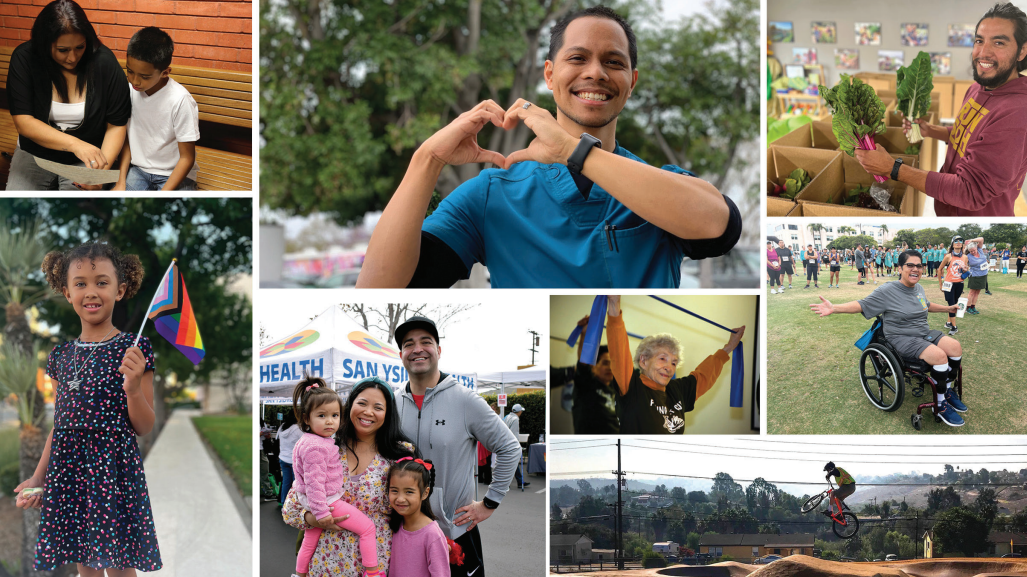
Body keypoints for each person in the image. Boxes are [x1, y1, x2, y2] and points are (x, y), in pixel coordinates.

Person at [356, 6, 742, 288]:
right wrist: (427, 159)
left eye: (614, 62)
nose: (596, 72)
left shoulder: (659, 187)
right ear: (549, 73)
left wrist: (574, 151)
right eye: (578, 57)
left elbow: (719, 226)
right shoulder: (490, 195)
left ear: (632, 80)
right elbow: (379, 289)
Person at [15, 242, 161, 572]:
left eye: (102, 282)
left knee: (120, 566)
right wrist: (37, 476)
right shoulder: (60, 357)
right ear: (67, 292)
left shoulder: (133, 349)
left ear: (120, 290)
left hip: (114, 470)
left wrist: (134, 389)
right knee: (85, 565)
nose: (91, 291)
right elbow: (61, 425)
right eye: (80, 283)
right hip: (71, 471)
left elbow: (144, 425)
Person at [854, 3, 1027, 216]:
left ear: (1022, 51)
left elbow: (970, 191)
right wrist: (930, 130)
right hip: (949, 208)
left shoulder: (1017, 113)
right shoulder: (977, 89)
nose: (984, 52)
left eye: (999, 42)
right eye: (979, 41)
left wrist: (892, 168)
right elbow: (972, 137)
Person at [394, 316, 521, 576]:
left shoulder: (464, 400)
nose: (417, 349)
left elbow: (510, 447)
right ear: (401, 354)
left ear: (438, 351)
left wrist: (489, 503)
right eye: (409, 344)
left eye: (425, 342)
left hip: (454, 534)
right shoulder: (393, 402)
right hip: (403, 532)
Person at [810, 249, 967, 426]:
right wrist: (835, 308)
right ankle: (940, 404)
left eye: (919, 266)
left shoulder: (919, 289)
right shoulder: (888, 290)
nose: (915, 269)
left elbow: (926, 305)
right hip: (901, 337)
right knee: (939, 356)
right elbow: (863, 304)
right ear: (900, 268)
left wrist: (948, 309)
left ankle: (946, 391)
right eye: (910, 265)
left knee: (955, 347)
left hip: (922, 332)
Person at [282, 376, 417, 577]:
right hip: (325, 564)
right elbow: (290, 510)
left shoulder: (399, 456)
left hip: (376, 563)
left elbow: (414, 513)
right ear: (349, 406)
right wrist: (315, 519)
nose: (368, 412)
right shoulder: (325, 447)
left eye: (378, 407)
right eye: (361, 403)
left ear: (388, 413)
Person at [6, 0, 129, 191]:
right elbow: (24, 122)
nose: (72, 58)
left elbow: (116, 125)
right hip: (34, 152)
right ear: (44, 44)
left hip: (88, 158)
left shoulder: (104, 62)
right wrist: (75, 144)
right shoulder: (25, 58)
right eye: (63, 50)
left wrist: (99, 172)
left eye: (80, 47)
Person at [605, 295, 745, 434]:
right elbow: (619, 352)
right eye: (662, 359)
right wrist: (614, 306)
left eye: (674, 362)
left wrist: (729, 347)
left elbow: (705, 375)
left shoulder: (677, 390)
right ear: (643, 361)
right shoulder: (632, 386)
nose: (669, 367)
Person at [289, 377, 384, 577]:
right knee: (367, 528)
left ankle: (299, 573)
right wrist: (319, 515)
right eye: (322, 415)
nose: (330, 421)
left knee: (309, 539)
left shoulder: (313, 441)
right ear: (307, 418)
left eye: (334, 415)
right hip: (328, 504)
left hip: (318, 504)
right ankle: (373, 572)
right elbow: (309, 487)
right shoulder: (319, 446)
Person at [113, 26, 199, 191]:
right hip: (139, 169)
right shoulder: (128, 89)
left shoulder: (180, 100)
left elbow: (187, 158)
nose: (135, 81)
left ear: (165, 73)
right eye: (129, 71)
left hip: (173, 173)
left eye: (144, 77)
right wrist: (120, 181)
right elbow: (126, 140)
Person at [387, 457, 452, 577]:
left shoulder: (432, 534)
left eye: (409, 492)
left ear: (425, 493)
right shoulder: (394, 525)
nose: (400, 499)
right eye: (394, 491)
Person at [572, 314, 620, 433]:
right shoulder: (586, 384)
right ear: (593, 367)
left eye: (612, 364)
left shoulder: (615, 389)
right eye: (605, 363)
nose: (610, 368)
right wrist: (584, 333)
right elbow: (584, 361)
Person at [938, 236, 976, 335]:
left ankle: (948, 323)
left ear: (963, 244)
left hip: (959, 283)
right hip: (948, 284)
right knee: (952, 305)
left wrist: (965, 270)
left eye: (960, 241)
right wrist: (940, 284)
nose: (958, 242)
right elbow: (939, 269)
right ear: (952, 244)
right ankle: (954, 327)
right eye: (956, 241)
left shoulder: (965, 257)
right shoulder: (948, 256)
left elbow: (964, 270)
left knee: (954, 302)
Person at [276, 410, 302, 504]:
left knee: (286, 483)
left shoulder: (282, 427)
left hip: (283, 458)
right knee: (296, 484)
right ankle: (295, 505)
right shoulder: (298, 429)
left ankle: (284, 503)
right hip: (294, 460)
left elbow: (277, 438)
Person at [504, 404, 529, 489]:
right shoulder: (515, 419)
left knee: (512, 463)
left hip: (505, 442)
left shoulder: (508, 417)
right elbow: (514, 434)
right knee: (511, 463)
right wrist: (517, 445)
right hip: (511, 444)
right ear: (519, 411)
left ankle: (519, 481)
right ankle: (510, 483)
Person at [965, 240, 990, 314]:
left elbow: (981, 239)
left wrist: (972, 240)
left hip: (983, 274)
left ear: (976, 248)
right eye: (971, 251)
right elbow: (964, 264)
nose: (973, 252)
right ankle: (968, 307)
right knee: (972, 292)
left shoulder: (980, 250)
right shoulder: (968, 256)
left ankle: (973, 307)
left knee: (977, 292)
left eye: (974, 250)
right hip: (974, 275)